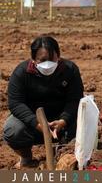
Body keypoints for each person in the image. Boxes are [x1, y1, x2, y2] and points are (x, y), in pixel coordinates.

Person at [3, 36, 84, 168]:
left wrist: (64, 121)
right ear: (33, 59)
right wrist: (37, 123)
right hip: (32, 122)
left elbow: (75, 99)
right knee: (13, 130)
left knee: (84, 125)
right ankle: (26, 158)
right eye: (42, 60)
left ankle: (65, 155)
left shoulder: (70, 70)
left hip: (62, 121)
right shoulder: (21, 73)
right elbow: (15, 104)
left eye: (52, 59)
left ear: (59, 56)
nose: (47, 64)